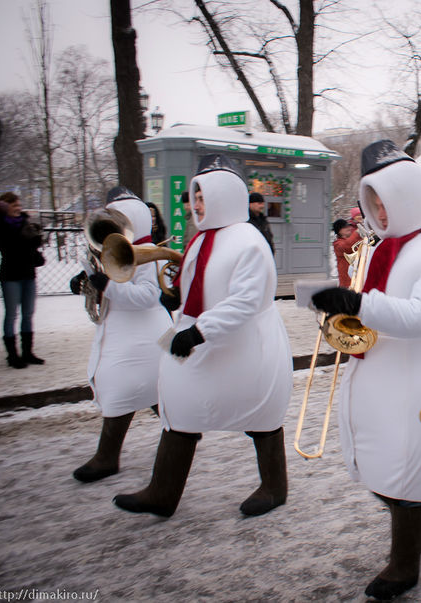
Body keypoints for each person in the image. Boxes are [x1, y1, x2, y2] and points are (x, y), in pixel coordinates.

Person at [310, 140, 421, 601]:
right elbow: (376, 309)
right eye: (371, 199)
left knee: (407, 468)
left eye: (385, 197)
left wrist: (358, 303)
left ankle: (405, 567)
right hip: (382, 373)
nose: (377, 208)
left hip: (419, 376)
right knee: (384, 466)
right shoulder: (384, 249)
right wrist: (340, 309)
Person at [113, 154, 292, 518]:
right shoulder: (200, 239)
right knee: (178, 404)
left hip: (244, 345)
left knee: (259, 414)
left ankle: (274, 486)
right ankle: (162, 493)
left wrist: (198, 331)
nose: (196, 205)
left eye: (203, 197)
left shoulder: (249, 241)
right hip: (197, 335)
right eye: (194, 197)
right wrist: (174, 297)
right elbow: (195, 285)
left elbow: (246, 302)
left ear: (225, 196)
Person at [69, 188, 173, 483]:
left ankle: (107, 457)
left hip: (142, 338)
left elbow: (148, 296)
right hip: (122, 333)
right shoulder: (109, 251)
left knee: (123, 388)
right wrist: (85, 281)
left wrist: (107, 286)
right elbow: (102, 284)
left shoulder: (146, 254)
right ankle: (180, 429)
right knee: (151, 389)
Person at [0, 192, 45, 369]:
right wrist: (29, 241)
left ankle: (27, 352)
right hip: (11, 276)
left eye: (19, 205)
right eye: (14, 206)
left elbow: (30, 247)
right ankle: (12, 355)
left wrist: (36, 244)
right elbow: (9, 249)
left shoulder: (25, 224)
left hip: (28, 274)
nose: (18, 209)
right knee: (11, 314)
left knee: (28, 314)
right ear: (4, 208)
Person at [331, 217, 362, 288]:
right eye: (345, 227)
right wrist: (357, 233)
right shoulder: (337, 244)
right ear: (339, 231)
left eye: (348, 226)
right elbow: (347, 246)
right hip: (347, 282)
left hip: (356, 278)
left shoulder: (352, 240)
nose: (349, 228)